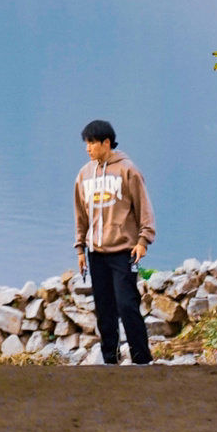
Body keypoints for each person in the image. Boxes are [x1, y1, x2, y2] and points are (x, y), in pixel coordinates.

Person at [73, 117, 156, 365]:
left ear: (106, 142)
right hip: (96, 252)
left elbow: (144, 208)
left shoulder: (128, 170)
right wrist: (80, 249)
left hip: (123, 251)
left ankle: (142, 359)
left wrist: (143, 240)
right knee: (104, 309)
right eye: (86, 143)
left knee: (127, 305)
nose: (87, 148)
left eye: (91, 142)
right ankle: (110, 360)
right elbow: (80, 214)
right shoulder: (84, 175)